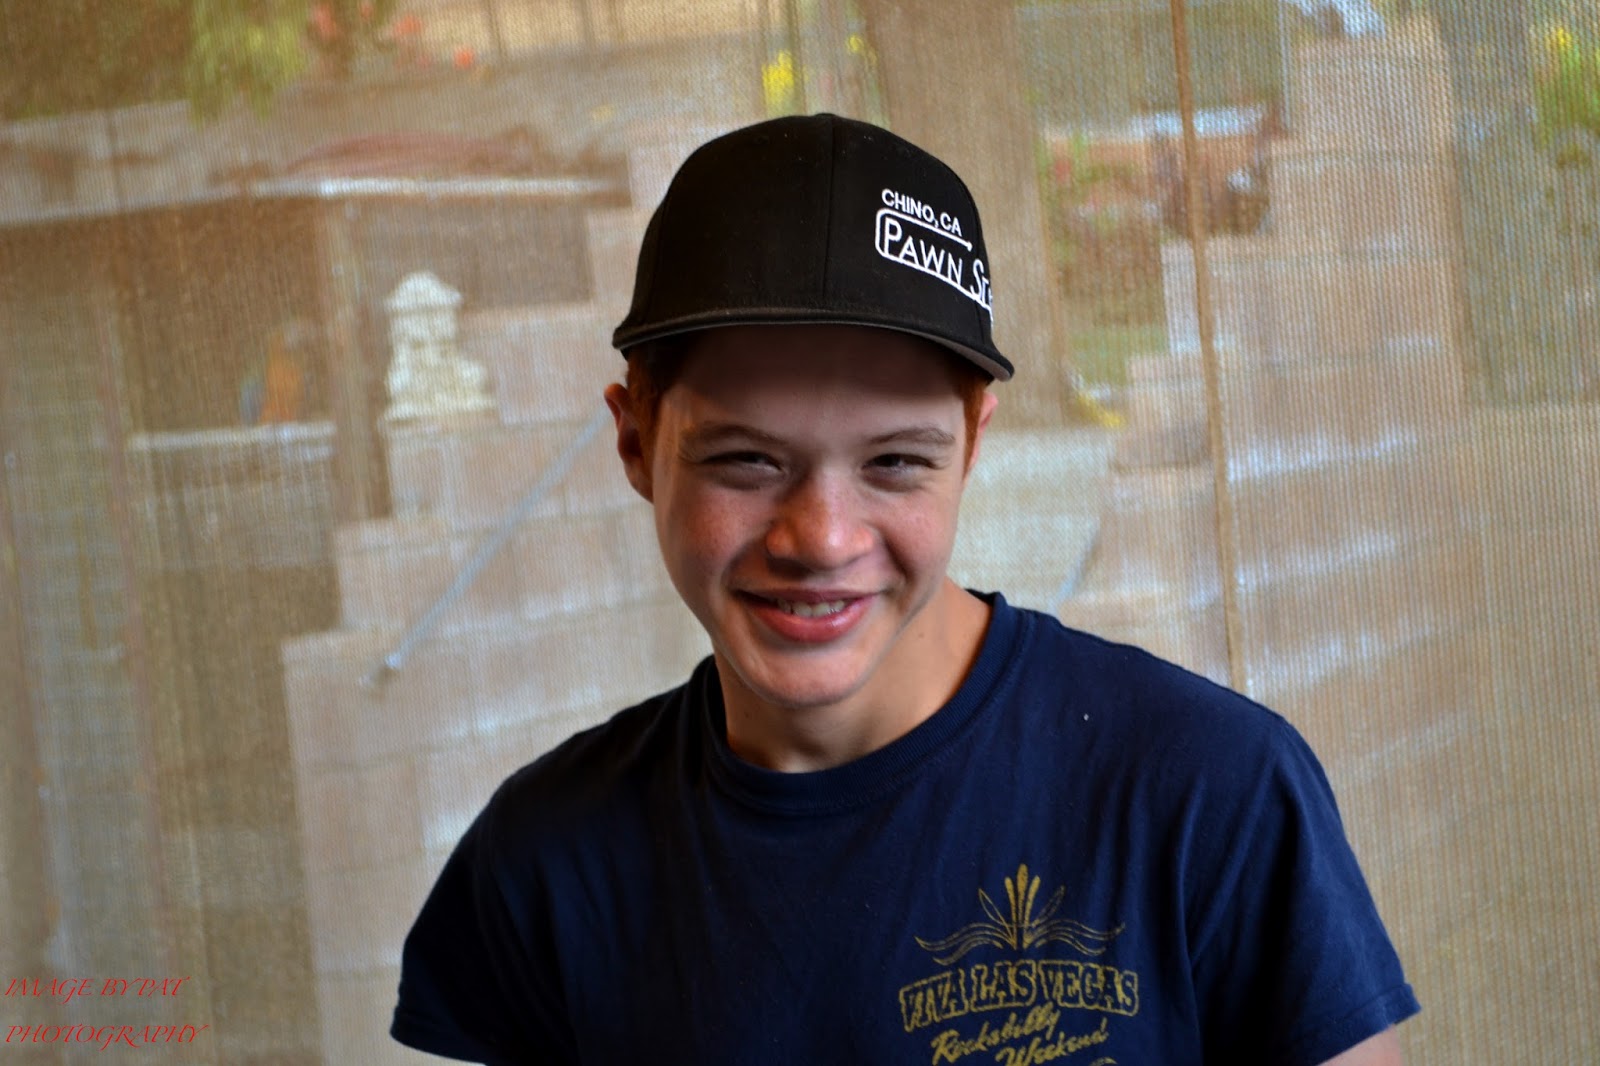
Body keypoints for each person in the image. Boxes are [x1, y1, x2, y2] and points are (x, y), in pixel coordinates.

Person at [390, 113, 1419, 1064]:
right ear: (634, 441)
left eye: (893, 463)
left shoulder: (1210, 795)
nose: (822, 538)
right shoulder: (542, 863)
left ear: (971, 444)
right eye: (746, 459)